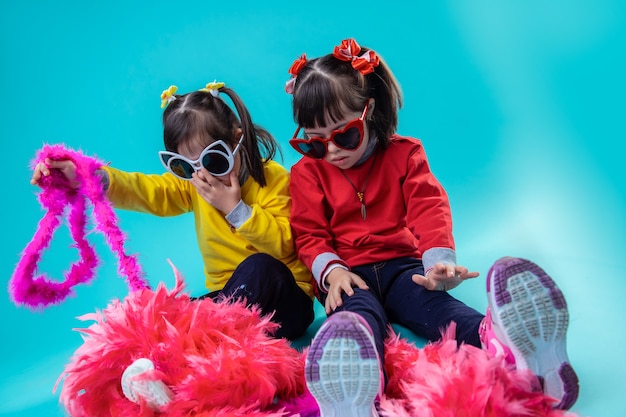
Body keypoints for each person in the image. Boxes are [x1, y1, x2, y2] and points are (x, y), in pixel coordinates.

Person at [285, 38, 579, 416]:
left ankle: (510, 348)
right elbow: (309, 232)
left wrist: (437, 261)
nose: (332, 151)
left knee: (434, 306)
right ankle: (355, 388)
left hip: (401, 266)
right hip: (349, 273)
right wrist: (332, 271)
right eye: (313, 142)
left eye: (344, 135)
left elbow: (429, 206)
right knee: (354, 318)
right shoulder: (307, 173)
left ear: (368, 110)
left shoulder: (404, 153)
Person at [31, 81, 315, 343]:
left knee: (260, 266)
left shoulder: (273, 178)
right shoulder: (196, 185)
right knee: (171, 314)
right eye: (186, 167)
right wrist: (89, 176)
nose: (203, 176)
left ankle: (205, 335)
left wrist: (235, 209)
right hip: (230, 302)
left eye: (213, 160)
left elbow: (286, 243)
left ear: (236, 139)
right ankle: (180, 352)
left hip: (287, 304)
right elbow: (147, 190)